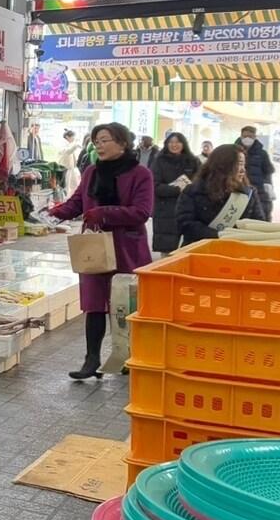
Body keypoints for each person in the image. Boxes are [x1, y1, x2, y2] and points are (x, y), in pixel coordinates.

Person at [48, 123, 153, 381]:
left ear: (123, 143)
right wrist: (54, 212)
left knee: (126, 305)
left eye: (105, 140)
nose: (99, 145)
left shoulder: (141, 174)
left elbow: (142, 212)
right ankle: (91, 360)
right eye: (96, 141)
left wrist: (104, 213)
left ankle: (129, 356)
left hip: (128, 248)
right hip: (94, 247)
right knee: (94, 305)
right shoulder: (92, 171)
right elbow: (77, 202)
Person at [176, 143, 267, 245]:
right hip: (200, 251)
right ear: (223, 165)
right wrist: (220, 236)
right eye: (239, 164)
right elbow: (185, 224)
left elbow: (258, 224)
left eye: (244, 165)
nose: (243, 170)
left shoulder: (248, 194)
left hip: (236, 252)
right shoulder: (194, 191)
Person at [151, 132, 200, 257]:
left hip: (190, 207)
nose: (174, 145)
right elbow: (154, 186)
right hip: (166, 209)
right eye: (171, 142)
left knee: (190, 248)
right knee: (167, 249)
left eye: (178, 142)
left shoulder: (193, 161)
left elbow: (201, 181)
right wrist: (177, 189)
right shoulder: (159, 161)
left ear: (183, 144)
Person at [240, 126, 275, 224]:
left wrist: (268, 184)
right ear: (241, 136)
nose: (247, 139)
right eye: (245, 136)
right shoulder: (234, 151)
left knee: (260, 217)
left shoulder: (262, 153)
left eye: (250, 136)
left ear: (255, 137)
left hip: (258, 190)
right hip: (239, 189)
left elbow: (268, 171)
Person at [57, 128, 83, 197]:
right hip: (65, 168)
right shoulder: (62, 144)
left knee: (73, 185)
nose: (74, 139)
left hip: (71, 168)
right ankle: (65, 198)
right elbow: (68, 151)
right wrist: (75, 146)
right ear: (67, 137)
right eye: (73, 137)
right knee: (66, 186)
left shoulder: (69, 144)